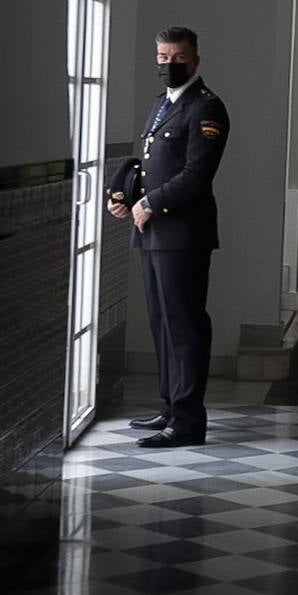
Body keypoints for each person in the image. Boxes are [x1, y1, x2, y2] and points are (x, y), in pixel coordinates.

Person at [108, 26, 230, 448]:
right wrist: (122, 193)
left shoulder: (207, 109)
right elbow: (144, 160)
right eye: (162, 57)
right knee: (162, 322)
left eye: (176, 58)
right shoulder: (162, 104)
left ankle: (189, 420)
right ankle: (169, 406)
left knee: (184, 325)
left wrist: (150, 204)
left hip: (182, 234)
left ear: (195, 61)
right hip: (152, 231)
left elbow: (196, 175)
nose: (168, 65)